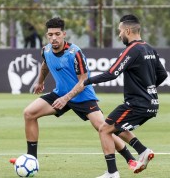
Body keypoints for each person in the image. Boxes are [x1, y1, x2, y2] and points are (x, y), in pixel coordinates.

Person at [9, 17, 137, 170]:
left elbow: (83, 80)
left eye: (57, 34)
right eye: (50, 35)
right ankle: (31, 160)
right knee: (29, 113)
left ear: (64, 34)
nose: (54, 38)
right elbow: (46, 63)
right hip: (60, 94)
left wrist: (66, 98)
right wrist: (40, 81)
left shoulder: (74, 52)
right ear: (47, 35)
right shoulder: (46, 50)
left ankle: (130, 159)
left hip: (83, 96)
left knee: (103, 127)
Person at [82, 14, 168, 178]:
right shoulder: (149, 48)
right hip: (151, 104)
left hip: (136, 104)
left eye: (120, 31)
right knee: (116, 126)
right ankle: (143, 151)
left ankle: (112, 173)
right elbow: (163, 74)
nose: (119, 34)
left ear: (128, 30)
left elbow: (112, 73)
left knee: (104, 129)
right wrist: (149, 88)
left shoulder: (132, 50)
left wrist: (87, 81)